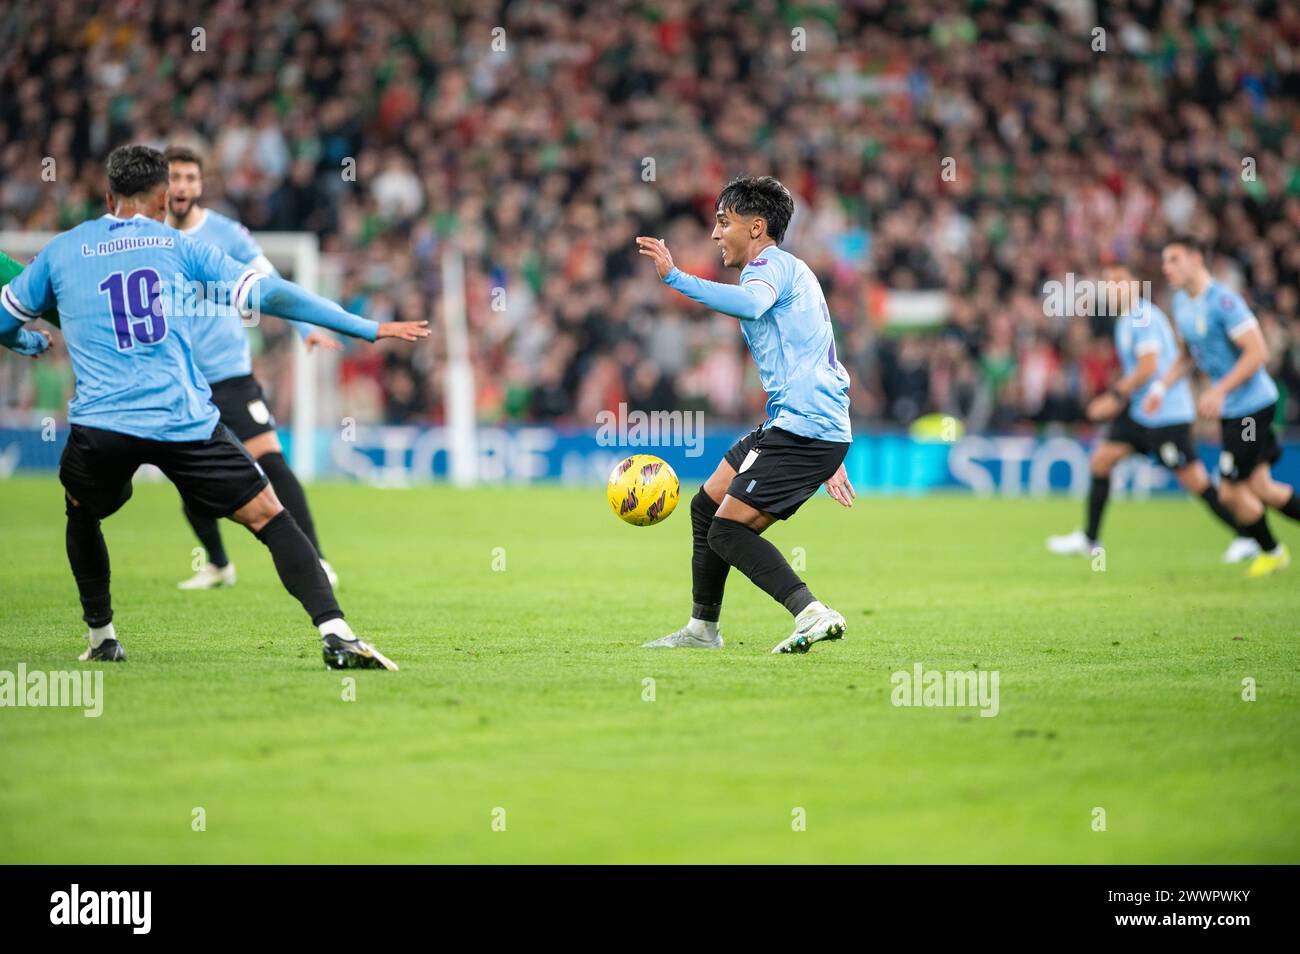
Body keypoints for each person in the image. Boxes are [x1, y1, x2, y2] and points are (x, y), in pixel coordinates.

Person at [0, 144, 429, 666]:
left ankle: (102, 639)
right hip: (182, 418)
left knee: (81, 512)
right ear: (163, 200)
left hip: (101, 425)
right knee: (270, 516)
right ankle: (336, 634)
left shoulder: (63, 250)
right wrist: (364, 327)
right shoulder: (180, 247)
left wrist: (25, 343)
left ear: (108, 195)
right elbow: (271, 295)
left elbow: (6, 319)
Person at [636, 175, 855, 655]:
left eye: (723, 222)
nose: (715, 234)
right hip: (801, 423)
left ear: (757, 228)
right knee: (706, 506)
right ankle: (702, 630)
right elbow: (821, 358)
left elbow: (752, 305)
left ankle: (812, 612)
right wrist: (831, 445)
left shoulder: (767, 270)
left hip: (804, 427)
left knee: (728, 530)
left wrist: (676, 277)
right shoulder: (789, 271)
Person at [164, 145, 341, 591]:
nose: (181, 186)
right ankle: (219, 565)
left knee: (272, 463)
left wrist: (305, 329)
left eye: (189, 177)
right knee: (189, 479)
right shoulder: (148, 237)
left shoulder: (227, 234)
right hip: (179, 379)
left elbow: (272, 285)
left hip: (229, 375)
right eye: (173, 178)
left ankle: (318, 561)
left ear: (200, 184)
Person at [1046, 264, 1247, 560]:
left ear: (1135, 284)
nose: (1112, 288)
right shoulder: (1127, 319)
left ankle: (1247, 534)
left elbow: (1149, 366)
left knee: (1195, 481)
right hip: (1142, 413)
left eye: (1118, 282)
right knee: (1102, 460)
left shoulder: (1142, 316)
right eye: (1108, 284)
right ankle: (1089, 539)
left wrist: (1115, 396)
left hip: (1165, 415)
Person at [1146, 237, 1298, 577]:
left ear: (1197, 259)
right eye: (1164, 261)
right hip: (1234, 409)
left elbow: (1258, 352)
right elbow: (1186, 356)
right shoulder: (1182, 304)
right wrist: (1160, 386)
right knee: (1262, 488)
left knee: (1230, 491)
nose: (1165, 267)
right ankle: (1271, 551)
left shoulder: (1224, 302)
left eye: (1173, 259)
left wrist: (1219, 391)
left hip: (1251, 409)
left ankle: (1272, 552)